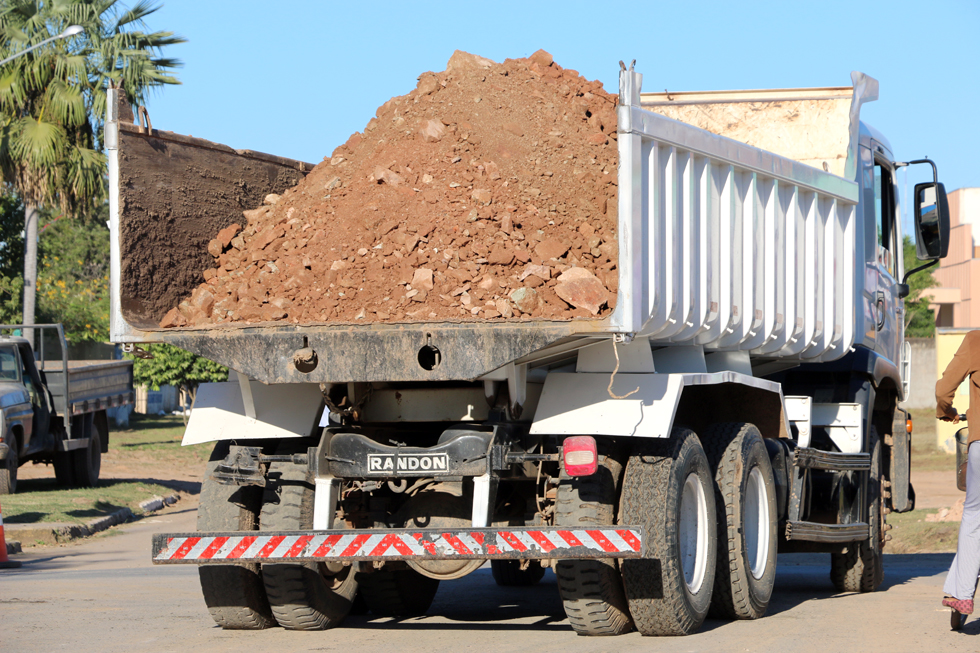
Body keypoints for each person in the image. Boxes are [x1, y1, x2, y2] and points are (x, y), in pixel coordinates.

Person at [937, 330, 980, 623]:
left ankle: (963, 594)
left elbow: (943, 390)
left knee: (974, 514)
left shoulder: (976, 340)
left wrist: (946, 411)